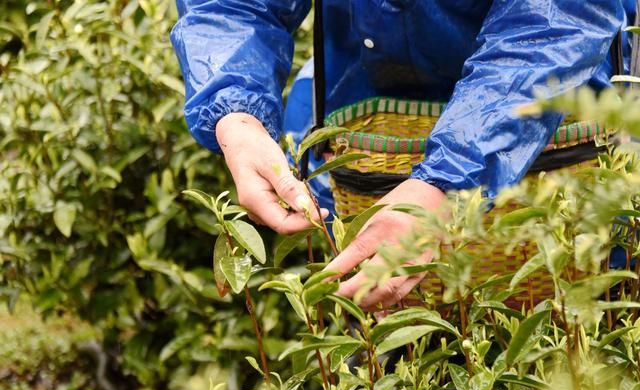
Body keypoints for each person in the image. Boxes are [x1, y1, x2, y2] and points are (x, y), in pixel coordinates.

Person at [171, 1, 636, 310]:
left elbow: (553, 23)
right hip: (359, 136)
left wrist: (450, 178)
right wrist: (235, 112)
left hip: (552, 132)